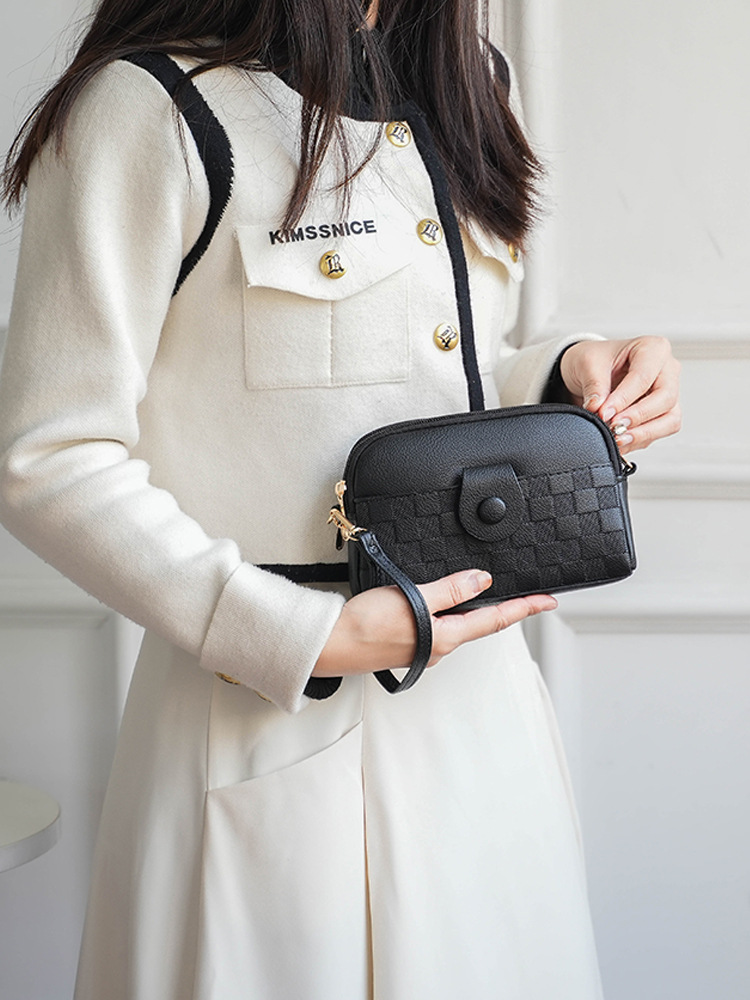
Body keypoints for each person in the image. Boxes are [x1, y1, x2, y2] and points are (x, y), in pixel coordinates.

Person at [0, 1, 680, 997]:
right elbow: (48, 454)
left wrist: (570, 372)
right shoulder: (149, 108)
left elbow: (444, 372)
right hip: (264, 718)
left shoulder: (471, 80)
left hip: (486, 721)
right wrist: (299, 634)